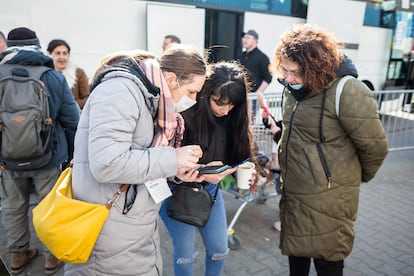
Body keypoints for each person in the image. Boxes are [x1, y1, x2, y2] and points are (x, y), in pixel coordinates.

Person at [64, 45, 208, 276]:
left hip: (130, 223)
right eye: (192, 92)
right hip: (109, 228)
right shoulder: (121, 91)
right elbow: (107, 163)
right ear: (171, 79)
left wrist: (175, 170)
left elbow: (140, 156)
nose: (193, 100)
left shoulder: (149, 96)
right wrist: (172, 158)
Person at [270, 23, 388, 276]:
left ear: (315, 67)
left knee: (328, 265)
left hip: (330, 201)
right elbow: (300, 135)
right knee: (296, 261)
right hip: (295, 195)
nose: (288, 79)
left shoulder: (348, 91)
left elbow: (375, 148)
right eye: (285, 71)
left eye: (296, 73)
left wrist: (350, 179)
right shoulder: (292, 91)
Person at [159, 60, 254, 276]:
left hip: (210, 193)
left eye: (232, 105)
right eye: (219, 102)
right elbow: (163, 165)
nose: (225, 110)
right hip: (176, 194)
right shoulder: (185, 115)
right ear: (205, 92)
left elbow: (239, 156)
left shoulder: (233, 118)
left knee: (220, 250)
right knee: (186, 254)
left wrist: (235, 168)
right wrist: (201, 172)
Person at [0, 27, 80, 275]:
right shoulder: (52, 77)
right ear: (37, 46)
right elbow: (72, 120)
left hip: (8, 158)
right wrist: (71, 157)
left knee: (13, 206)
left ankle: (17, 254)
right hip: (48, 156)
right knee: (49, 207)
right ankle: (51, 257)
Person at [239, 29, 273, 121]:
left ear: (256, 41)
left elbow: (268, 78)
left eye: (248, 38)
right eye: (244, 37)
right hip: (239, 95)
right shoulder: (241, 56)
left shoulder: (263, 58)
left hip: (252, 98)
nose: (244, 40)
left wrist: (256, 94)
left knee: (248, 122)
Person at [47, 39, 90, 110]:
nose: (62, 57)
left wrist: (69, 106)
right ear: (49, 54)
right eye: (58, 53)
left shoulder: (78, 73)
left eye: (65, 53)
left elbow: (87, 99)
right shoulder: (44, 74)